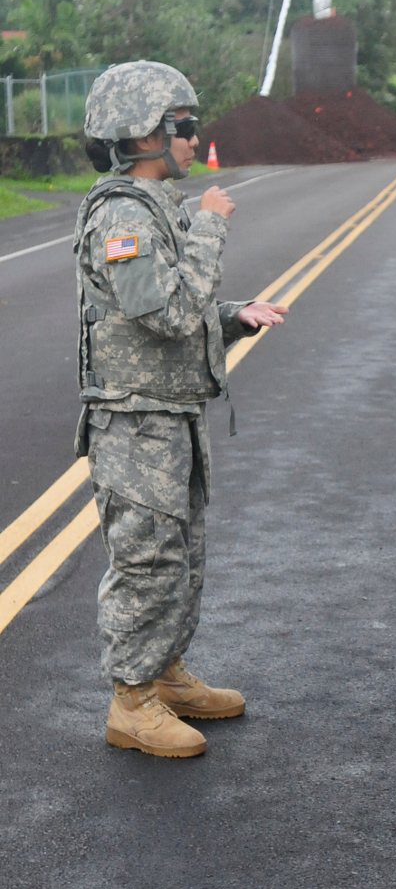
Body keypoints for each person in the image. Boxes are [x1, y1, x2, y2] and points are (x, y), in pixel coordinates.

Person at [77, 61, 287, 759]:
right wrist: (211, 229)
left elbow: (183, 309)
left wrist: (233, 316)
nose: (196, 139)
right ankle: (130, 701)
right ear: (142, 134)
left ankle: (165, 675)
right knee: (146, 561)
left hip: (170, 417)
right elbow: (163, 311)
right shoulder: (120, 216)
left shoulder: (155, 208)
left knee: (181, 557)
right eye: (184, 127)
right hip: (135, 423)